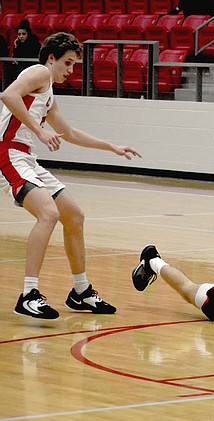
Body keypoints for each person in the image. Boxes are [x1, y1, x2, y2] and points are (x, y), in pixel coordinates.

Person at [1, 33, 141, 320]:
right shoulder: (39, 72)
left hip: (26, 157)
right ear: (51, 58)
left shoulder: (48, 93)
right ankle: (29, 294)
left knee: (74, 216)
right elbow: (8, 95)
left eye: (74, 65)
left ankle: (81, 291)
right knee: (49, 214)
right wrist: (39, 131)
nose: (71, 70)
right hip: (7, 154)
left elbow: (71, 133)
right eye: (67, 63)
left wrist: (111, 147)